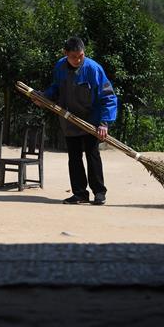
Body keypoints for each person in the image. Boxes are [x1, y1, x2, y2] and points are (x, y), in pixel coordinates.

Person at [42, 37, 117, 205]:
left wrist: (104, 123)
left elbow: (108, 97)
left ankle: (99, 192)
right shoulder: (60, 67)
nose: (77, 60)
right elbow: (56, 87)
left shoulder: (93, 69)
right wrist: (44, 97)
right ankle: (80, 193)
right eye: (73, 57)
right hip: (69, 120)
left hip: (91, 121)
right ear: (65, 53)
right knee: (74, 157)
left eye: (80, 56)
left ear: (84, 53)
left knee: (92, 154)